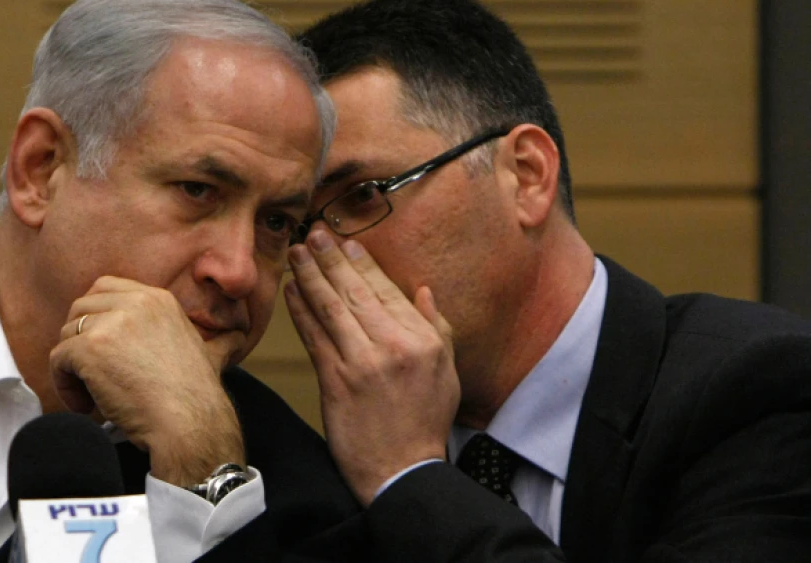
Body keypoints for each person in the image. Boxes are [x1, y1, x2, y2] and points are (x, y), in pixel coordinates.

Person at [0, 0, 360, 561]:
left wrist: (201, 469)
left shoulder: (299, 504)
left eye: (276, 222)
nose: (238, 271)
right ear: (41, 169)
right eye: (198, 191)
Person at [285, 0, 811, 561]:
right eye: (292, 225)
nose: (324, 254)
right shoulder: (329, 464)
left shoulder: (759, 393)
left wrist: (411, 477)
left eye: (363, 195)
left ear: (527, 176)